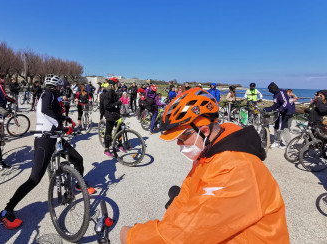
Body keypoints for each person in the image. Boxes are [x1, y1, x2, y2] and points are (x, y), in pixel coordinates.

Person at [120, 87, 289, 243]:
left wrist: (132, 236)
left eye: (182, 138)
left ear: (205, 131)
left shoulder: (237, 168)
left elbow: (185, 235)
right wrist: (168, 221)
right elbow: (185, 197)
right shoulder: (208, 155)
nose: (179, 144)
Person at [0, 74, 95, 230]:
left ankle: (78, 184)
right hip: (44, 140)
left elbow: (52, 112)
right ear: (56, 86)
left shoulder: (50, 95)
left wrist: (65, 118)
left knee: (78, 159)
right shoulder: (49, 94)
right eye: (59, 86)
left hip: (54, 138)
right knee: (34, 179)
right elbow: (45, 110)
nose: (60, 88)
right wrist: (60, 125)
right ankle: (6, 211)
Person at [264, 82, 292, 149]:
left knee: (280, 127)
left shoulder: (281, 93)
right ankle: (280, 141)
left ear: (273, 89)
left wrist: (281, 109)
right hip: (277, 113)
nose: (269, 91)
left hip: (283, 113)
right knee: (277, 126)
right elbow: (275, 104)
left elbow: (285, 102)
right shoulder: (275, 94)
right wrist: (270, 108)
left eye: (270, 90)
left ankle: (278, 142)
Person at [102, 77, 123, 157]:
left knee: (119, 130)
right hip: (109, 115)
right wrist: (117, 103)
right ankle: (106, 149)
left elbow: (116, 103)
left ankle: (120, 144)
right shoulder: (107, 93)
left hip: (116, 114)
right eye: (116, 84)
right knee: (108, 133)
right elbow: (106, 106)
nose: (117, 86)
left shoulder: (115, 93)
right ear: (112, 85)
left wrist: (119, 104)